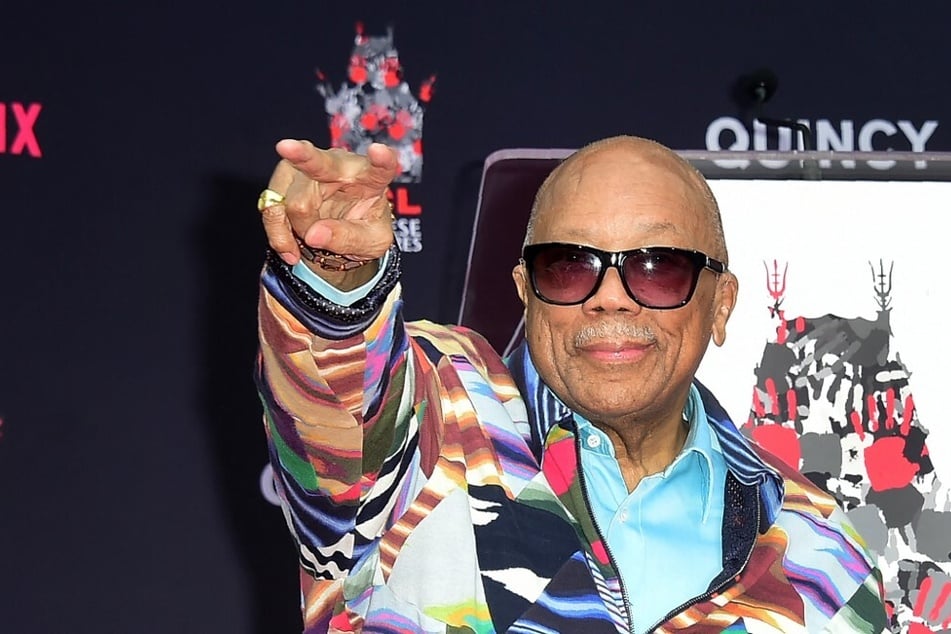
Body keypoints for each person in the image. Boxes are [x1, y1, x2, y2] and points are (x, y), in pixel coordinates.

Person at [255, 135, 889, 633]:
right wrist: (334, 269)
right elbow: (337, 399)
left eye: (658, 268)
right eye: (569, 266)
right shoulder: (439, 413)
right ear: (527, 294)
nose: (610, 298)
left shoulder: (821, 559)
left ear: (720, 304)